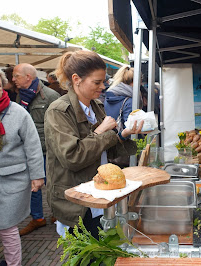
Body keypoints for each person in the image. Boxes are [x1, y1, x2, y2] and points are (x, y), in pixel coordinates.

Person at [44, 50, 142, 238]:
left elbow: (104, 149)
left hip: (98, 195)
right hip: (76, 201)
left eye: (103, 81)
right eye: (97, 82)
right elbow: (72, 157)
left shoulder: (95, 105)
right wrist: (102, 132)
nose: (103, 87)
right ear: (76, 79)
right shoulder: (58, 111)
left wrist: (123, 134)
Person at [0, 63, 45, 266]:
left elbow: (32, 145)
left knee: (7, 228)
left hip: (10, 180)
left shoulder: (17, 112)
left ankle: (14, 264)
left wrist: (37, 176)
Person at [12, 63, 60, 236]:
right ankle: (37, 218)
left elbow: (59, 125)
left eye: (16, 75)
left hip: (47, 150)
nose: (12, 79)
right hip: (26, 149)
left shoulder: (50, 95)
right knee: (32, 185)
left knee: (52, 183)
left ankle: (57, 214)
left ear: (28, 77)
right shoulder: (20, 97)